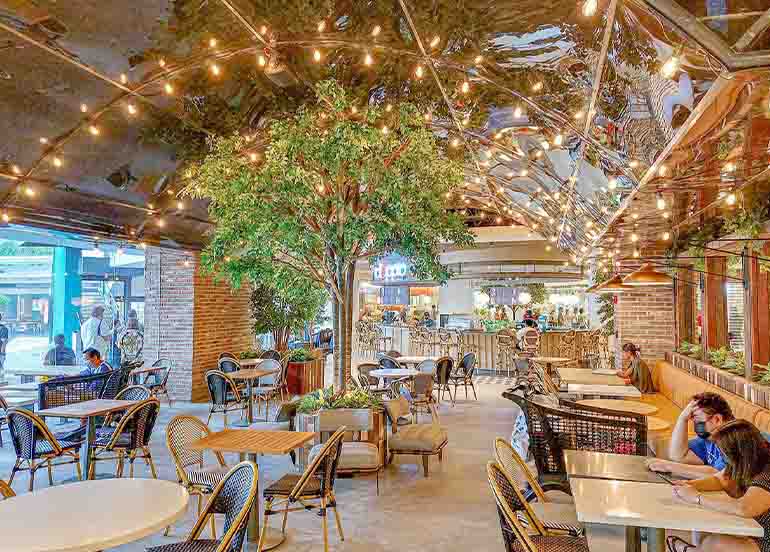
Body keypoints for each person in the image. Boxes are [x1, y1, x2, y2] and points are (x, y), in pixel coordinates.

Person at [667, 419, 770, 552]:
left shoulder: (766, 472)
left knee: (715, 544)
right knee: (709, 538)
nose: (723, 457)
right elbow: (721, 479)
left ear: (739, 452)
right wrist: (688, 485)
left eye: (724, 453)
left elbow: (744, 508)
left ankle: (688, 550)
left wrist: (697, 497)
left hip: (765, 539)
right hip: (757, 530)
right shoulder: (745, 462)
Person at [647, 392, 735, 479]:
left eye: (699, 422)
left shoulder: (734, 438)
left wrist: (668, 466)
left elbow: (719, 474)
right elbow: (679, 456)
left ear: (717, 419)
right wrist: (682, 419)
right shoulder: (710, 438)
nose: (697, 425)